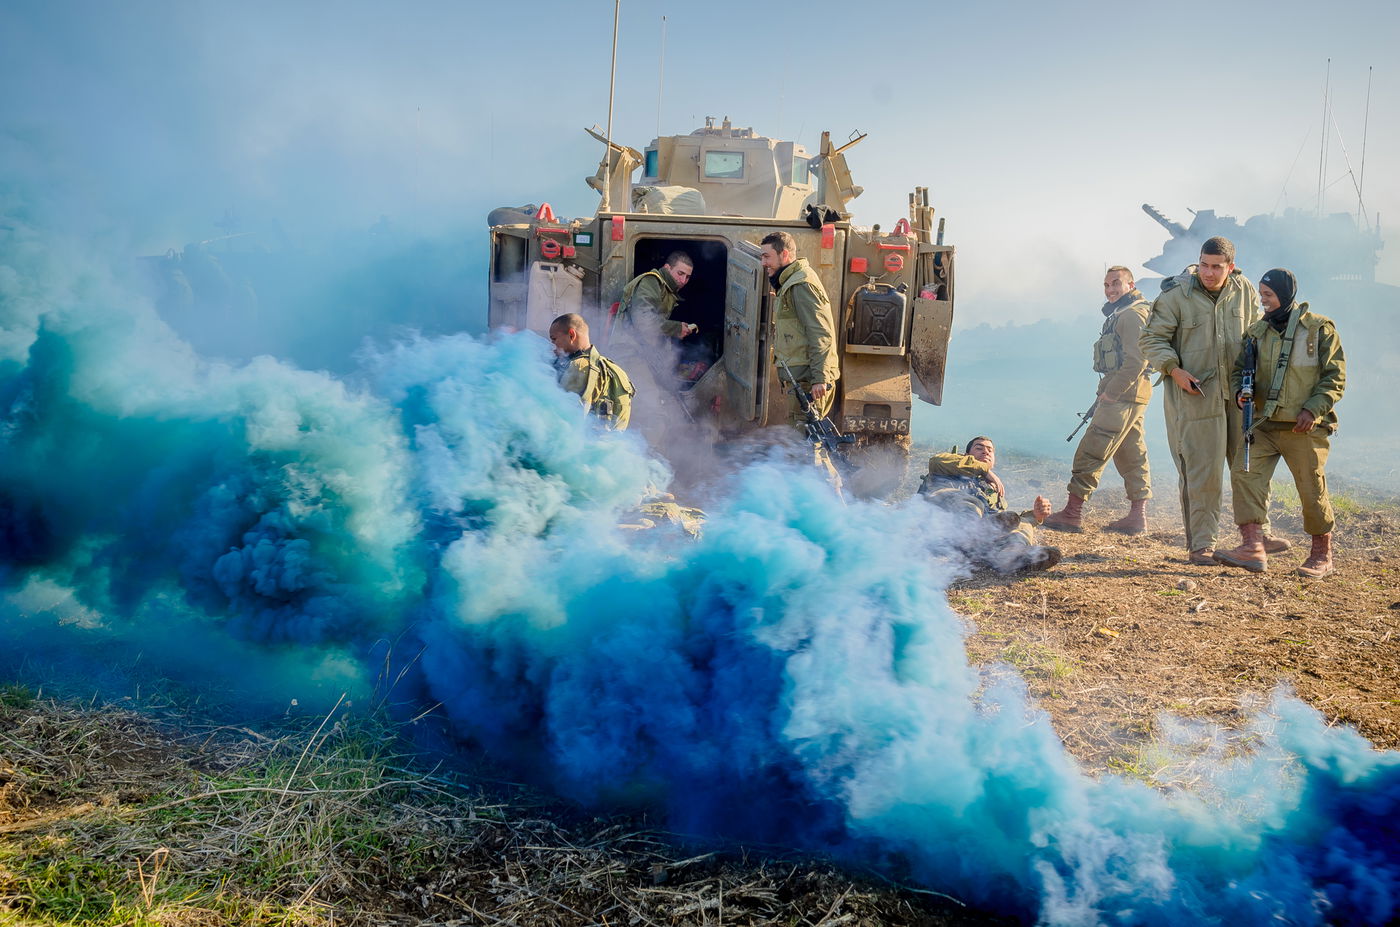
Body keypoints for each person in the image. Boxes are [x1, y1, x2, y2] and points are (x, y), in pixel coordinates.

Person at [1139, 236, 1286, 566]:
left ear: (1230, 266)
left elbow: (1256, 333)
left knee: (1250, 466)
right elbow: (1152, 339)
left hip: (1239, 397)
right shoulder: (1177, 294)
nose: (1208, 272)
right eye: (1204, 264)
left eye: (1216, 267)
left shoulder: (1245, 289)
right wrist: (1174, 370)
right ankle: (1203, 544)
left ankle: (1257, 535)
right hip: (1195, 399)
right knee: (1201, 473)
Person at [1214, 269, 1346, 577]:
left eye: (1268, 295)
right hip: (1263, 423)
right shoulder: (1256, 333)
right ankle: (1252, 547)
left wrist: (1313, 410)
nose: (1263, 301)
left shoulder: (1318, 330)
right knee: (1243, 473)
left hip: (1304, 427)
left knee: (1311, 487)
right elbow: (1237, 372)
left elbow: (1335, 377)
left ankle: (1321, 554)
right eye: (1261, 295)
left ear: (1285, 296)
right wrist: (1239, 393)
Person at [1045, 266, 1154, 534]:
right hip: (1131, 393)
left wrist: (1113, 391)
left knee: (1093, 448)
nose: (1110, 290)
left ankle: (1072, 513)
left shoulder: (1131, 315)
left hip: (1124, 394)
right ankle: (1137, 517)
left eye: (1116, 283)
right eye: (1106, 285)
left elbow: (1138, 360)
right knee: (1131, 453)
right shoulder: (1124, 313)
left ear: (1131, 284)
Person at [758, 230, 843, 481]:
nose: (763, 263)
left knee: (808, 452)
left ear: (784, 254)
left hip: (810, 384)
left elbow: (821, 334)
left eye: (767, 257)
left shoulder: (801, 285)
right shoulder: (790, 283)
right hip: (802, 384)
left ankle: (830, 505)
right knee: (806, 450)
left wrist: (821, 378)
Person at [919, 436, 1060, 572]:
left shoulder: (992, 492)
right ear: (966, 454)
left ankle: (1012, 555)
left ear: (994, 461)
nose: (985, 451)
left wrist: (1035, 515)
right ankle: (974, 531)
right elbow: (935, 461)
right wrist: (984, 469)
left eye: (990, 450)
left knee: (1019, 521)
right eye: (979, 448)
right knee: (973, 503)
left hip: (974, 543)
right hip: (942, 528)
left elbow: (1003, 520)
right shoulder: (950, 466)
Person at [548, 313, 634, 430]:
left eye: (554, 339)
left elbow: (565, 419)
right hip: (609, 445)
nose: (553, 346)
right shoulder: (616, 370)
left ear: (572, 335)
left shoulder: (579, 366)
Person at [617, 251, 699, 340]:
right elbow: (643, 321)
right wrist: (676, 329)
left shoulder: (668, 289)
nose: (683, 281)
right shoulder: (651, 281)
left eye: (687, 277)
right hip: (628, 348)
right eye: (680, 273)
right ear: (667, 268)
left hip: (642, 348)